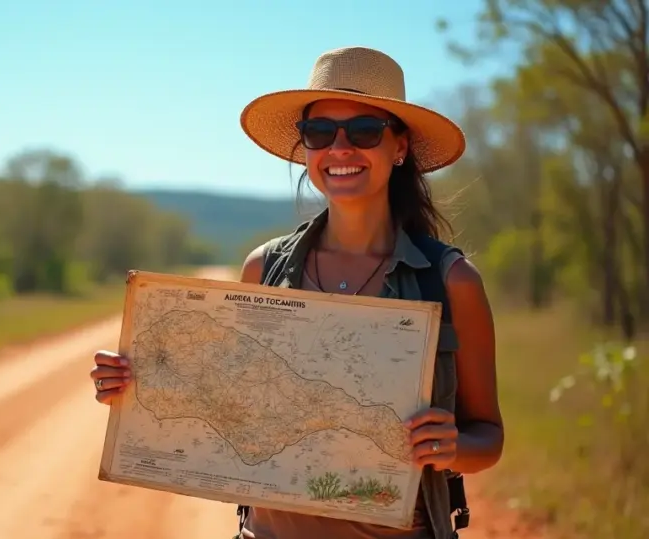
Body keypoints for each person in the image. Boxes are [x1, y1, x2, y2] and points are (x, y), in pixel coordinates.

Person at [89, 46, 504, 539]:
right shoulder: (263, 268)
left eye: (365, 130)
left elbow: (489, 437)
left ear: (399, 148)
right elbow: (230, 401)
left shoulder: (451, 281)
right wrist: (134, 383)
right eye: (320, 132)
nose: (340, 148)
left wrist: (451, 445)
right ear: (305, 149)